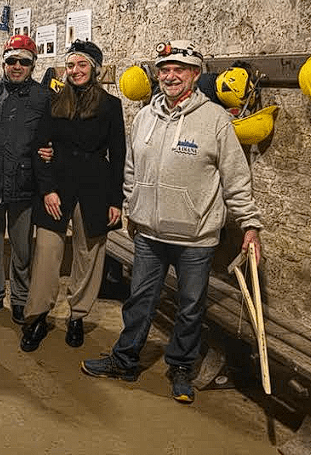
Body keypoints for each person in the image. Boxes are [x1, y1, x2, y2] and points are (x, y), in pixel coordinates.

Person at [81, 39, 264, 405]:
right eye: (164, 70)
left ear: (195, 74)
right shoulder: (146, 116)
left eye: (178, 70)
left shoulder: (214, 120)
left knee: (191, 305)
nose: (170, 76)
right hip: (149, 232)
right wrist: (134, 208)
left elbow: (236, 177)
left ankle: (181, 367)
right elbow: (131, 169)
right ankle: (125, 359)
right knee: (140, 300)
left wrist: (250, 225)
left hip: (196, 236)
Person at [21, 40, 125, 352]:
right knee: (47, 254)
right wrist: (48, 190)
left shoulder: (110, 105)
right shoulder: (53, 103)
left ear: (94, 68)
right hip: (59, 185)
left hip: (95, 187)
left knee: (88, 254)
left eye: (82, 65)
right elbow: (40, 149)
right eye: (70, 65)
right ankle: (38, 315)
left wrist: (115, 201)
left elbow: (118, 155)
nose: (75, 71)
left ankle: (77, 315)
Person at [0, 34, 51, 325]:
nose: (17, 66)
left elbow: (54, 135)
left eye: (24, 62)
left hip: (24, 185)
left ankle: (20, 298)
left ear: (32, 65)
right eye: (12, 60)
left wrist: (52, 150)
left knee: (22, 249)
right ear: (3, 62)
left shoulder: (44, 98)